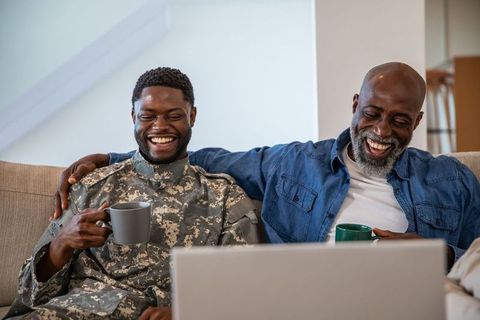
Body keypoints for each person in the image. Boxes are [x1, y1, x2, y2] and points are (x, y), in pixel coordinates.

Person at [53, 62, 480, 271]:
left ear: (417, 123)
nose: (381, 131)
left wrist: (436, 254)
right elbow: (199, 157)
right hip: (312, 301)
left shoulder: (452, 180)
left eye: (399, 120)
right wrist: (115, 159)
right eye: (372, 113)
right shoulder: (294, 163)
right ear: (355, 106)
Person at [5, 67, 259, 320]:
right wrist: (61, 243)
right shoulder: (93, 185)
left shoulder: (224, 196)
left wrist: (184, 313)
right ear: (133, 117)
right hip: (80, 311)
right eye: (148, 116)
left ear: (192, 116)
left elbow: (243, 290)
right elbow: (28, 296)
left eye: (174, 116)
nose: (160, 127)